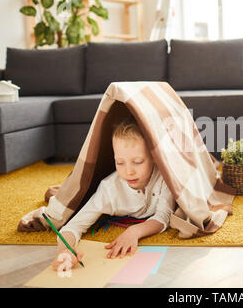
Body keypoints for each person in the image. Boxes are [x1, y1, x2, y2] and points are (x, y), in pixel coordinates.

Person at [51, 116, 175, 271]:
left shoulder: (165, 177)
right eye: (120, 162)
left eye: (137, 162)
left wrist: (134, 232)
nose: (129, 171)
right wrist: (65, 250)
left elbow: (164, 217)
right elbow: (74, 226)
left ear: (155, 157)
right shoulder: (109, 190)